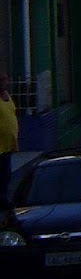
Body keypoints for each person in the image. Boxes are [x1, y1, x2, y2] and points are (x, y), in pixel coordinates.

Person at [0, 72, 16, 203]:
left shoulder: (7, 96)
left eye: (5, 80)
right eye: (2, 80)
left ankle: (4, 198)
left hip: (8, 144)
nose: (5, 82)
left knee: (6, 175)